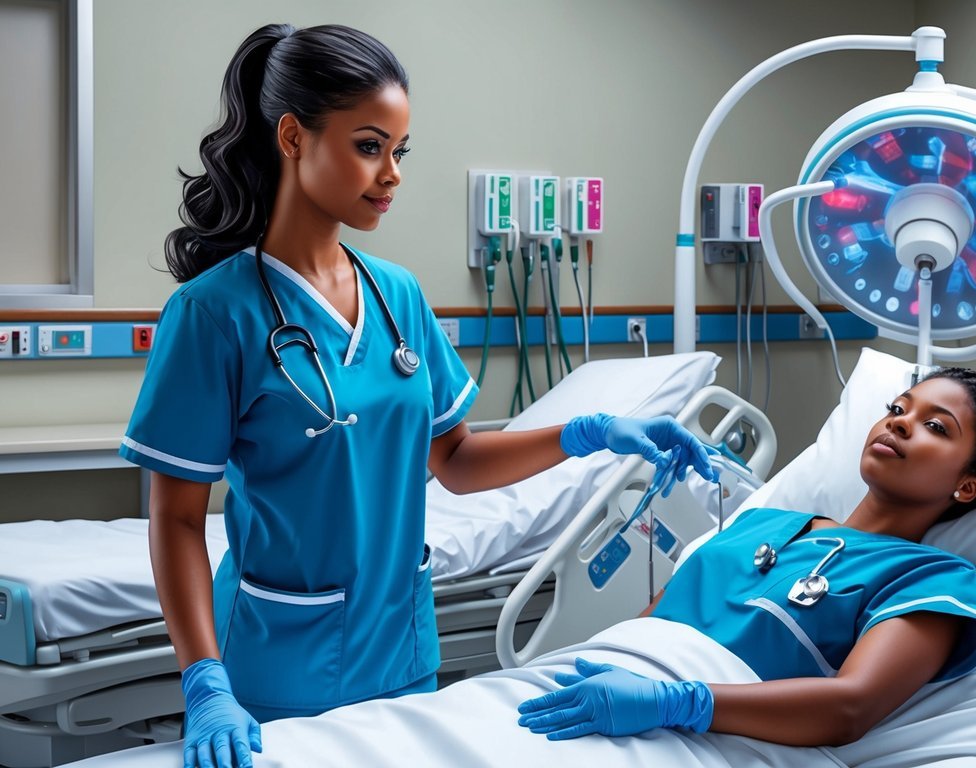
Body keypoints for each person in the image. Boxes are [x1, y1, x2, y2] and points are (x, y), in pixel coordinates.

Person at [118, 23, 716, 768]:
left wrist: (591, 433)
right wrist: (205, 681)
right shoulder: (214, 313)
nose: (392, 173)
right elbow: (176, 519)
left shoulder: (395, 294)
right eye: (369, 146)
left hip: (404, 651)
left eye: (399, 151)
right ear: (294, 137)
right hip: (279, 666)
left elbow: (455, 458)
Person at [517, 367, 976, 747]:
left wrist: (676, 701)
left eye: (936, 426)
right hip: (590, 685)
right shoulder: (759, 521)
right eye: (897, 409)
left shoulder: (930, 578)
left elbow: (850, 706)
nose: (899, 424)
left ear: (967, 487)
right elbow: (652, 623)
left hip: (702, 738)